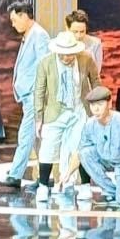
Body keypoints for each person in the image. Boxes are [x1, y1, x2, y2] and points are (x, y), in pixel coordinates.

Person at [32, 31, 100, 201]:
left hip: (79, 111)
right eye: (62, 54)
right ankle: (43, 186)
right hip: (55, 112)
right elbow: (39, 91)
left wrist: (98, 107)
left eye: (69, 54)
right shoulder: (46, 63)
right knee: (48, 148)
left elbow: (96, 82)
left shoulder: (86, 59)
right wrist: (38, 118)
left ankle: (84, 186)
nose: (66, 57)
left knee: (80, 149)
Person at [1, 1, 49, 188]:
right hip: (28, 95)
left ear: (24, 16)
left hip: (34, 95)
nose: (13, 24)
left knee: (26, 135)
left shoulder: (39, 35)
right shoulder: (30, 35)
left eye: (14, 20)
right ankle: (44, 177)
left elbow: (44, 66)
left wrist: (40, 93)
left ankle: (15, 175)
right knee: (37, 138)